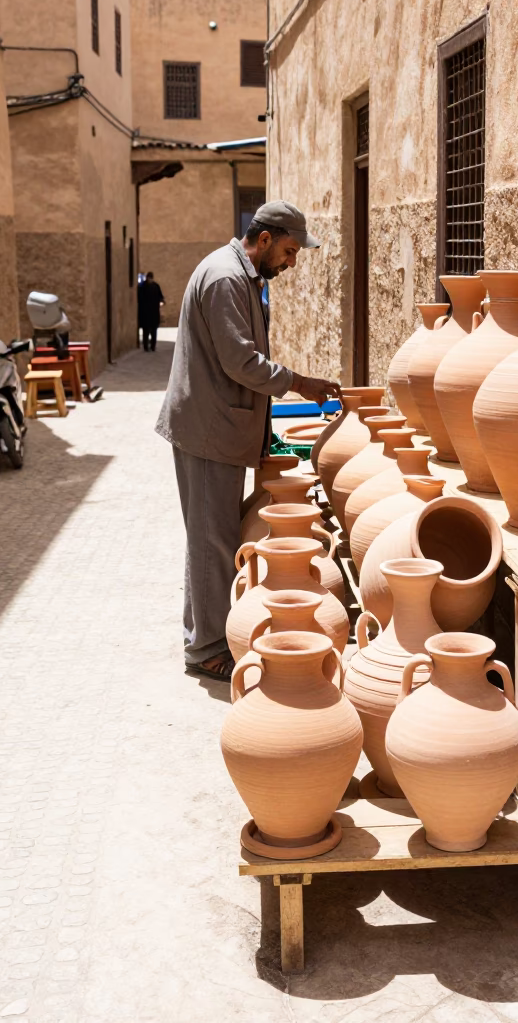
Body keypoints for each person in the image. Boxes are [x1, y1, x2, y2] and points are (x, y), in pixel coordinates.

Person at [155, 201, 342, 681]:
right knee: (212, 539)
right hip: (207, 428)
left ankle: (206, 636)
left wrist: (264, 434)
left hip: (221, 423)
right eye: (289, 250)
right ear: (264, 240)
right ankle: (206, 649)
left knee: (211, 535)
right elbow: (240, 362)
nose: (291, 261)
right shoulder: (225, 279)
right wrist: (301, 383)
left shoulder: (245, 277)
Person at [139, 271, 165, 352]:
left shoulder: (155, 286)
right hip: (145, 312)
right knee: (146, 330)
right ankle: (146, 346)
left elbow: (161, 297)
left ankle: (153, 346)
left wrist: (161, 302)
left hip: (153, 312)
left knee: (153, 330)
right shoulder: (142, 286)